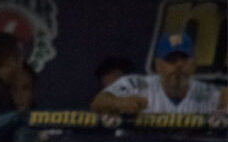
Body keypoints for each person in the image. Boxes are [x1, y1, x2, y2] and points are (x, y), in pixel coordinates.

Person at [90, 32, 227, 114]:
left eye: (184, 59)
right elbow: (98, 102)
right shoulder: (137, 84)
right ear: (158, 65)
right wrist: (120, 103)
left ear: (194, 64)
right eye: (171, 60)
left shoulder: (205, 93)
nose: (178, 65)